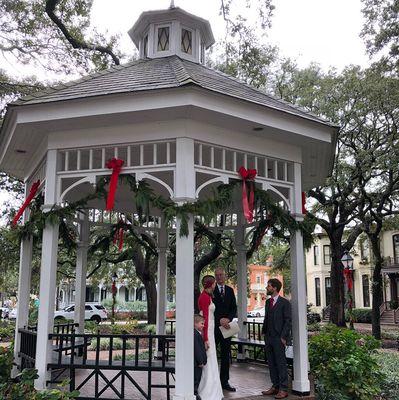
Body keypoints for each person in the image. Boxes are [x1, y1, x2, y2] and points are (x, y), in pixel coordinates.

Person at [261, 278, 291, 399]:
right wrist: (263, 332)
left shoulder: (285, 302)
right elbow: (266, 318)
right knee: (271, 363)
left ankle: (283, 389)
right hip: (268, 337)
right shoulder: (268, 302)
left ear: (274, 288)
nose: (267, 288)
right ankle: (275, 386)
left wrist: (283, 337)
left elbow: (288, 321)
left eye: (268, 286)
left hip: (279, 338)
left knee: (281, 363)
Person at [197, 275, 224, 400]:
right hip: (208, 332)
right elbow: (205, 320)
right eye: (213, 283)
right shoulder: (204, 297)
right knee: (209, 359)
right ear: (210, 284)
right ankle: (207, 391)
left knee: (212, 360)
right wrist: (205, 338)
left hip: (210, 331)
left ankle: (213, 389)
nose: (215, 285)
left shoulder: (207, 296)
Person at [213, 267, 237, 392]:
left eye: (221, 275)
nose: (219, 277)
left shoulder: (230, 290)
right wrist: (220, 320)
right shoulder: (211, 291)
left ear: (225, 276)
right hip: (215, 328)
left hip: (227, 327)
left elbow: (234, 308)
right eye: (216, 275)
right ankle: (211, 381)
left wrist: (228, 319)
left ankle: (225, 382)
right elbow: (209, 309)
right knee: (210, 354)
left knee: (225, 355)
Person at [194, 314, 207, 400]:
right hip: (197, 363)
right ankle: (194, 394)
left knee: (197, 378)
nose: (203, 325)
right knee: (196, 379)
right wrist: (200, 361)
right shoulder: (195, 335)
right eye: (201, 323)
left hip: (198, 363)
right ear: (195, 323)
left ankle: (195, 392)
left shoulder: (197, 334)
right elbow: (197, 349)